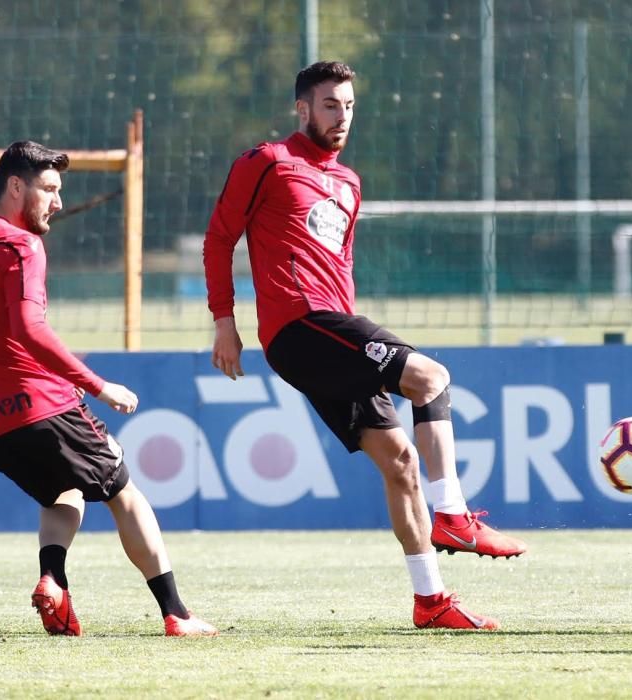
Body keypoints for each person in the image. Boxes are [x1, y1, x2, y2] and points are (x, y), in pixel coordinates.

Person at [203, 61, 527, 631]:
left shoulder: (349, 183)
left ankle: (431, 602)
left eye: (349, 106)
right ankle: (452, 513)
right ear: (302, 109)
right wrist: (224, 321)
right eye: (330, 105)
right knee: (432, 377)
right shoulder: (267, 162)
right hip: (300, 326)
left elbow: (341, 268)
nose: (342, 116)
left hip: (334, 329)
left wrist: (360, 339)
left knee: (401, 463)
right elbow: (219, 237)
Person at [0, 141, 216, 638]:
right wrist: (99, 386)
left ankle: (53, 581)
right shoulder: (20, 246)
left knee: (63, 490)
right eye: (50, 188)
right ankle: (177, 614)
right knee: (125, 492)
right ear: (16, 187)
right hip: (40, 407)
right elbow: (30, 330)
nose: (58, 201)